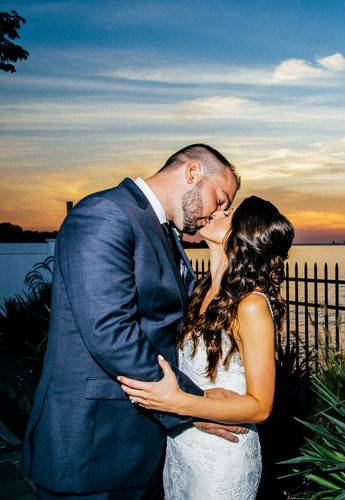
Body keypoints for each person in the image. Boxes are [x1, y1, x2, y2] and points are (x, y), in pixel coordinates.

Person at [22, 144, 247, 499]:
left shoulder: (166, 233)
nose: (218, 213)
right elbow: (111, 332)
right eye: (220, 199)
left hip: (137, 445)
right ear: (192, 174)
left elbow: (177, 322)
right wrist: (191, 403)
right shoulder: (104, 214)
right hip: (93, 444)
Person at [119, 195, 294, 499]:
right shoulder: (200, 290)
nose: (217, 211)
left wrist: (177, 402)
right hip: (183, 445)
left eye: (229, 213)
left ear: (243, 234)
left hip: (222, 457)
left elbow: (260, 406)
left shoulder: (250, 305)